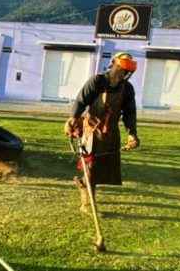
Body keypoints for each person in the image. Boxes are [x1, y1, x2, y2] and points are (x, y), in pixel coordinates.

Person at [64, 52, 140, 250]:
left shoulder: (127, 89)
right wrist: (73, 118)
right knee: (90, 168)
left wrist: (132, 133)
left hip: (110, 133)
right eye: (121, 69)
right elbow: (81, 101)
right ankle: (87, 203)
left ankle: (84, 187)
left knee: (102, 169)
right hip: (91, 130)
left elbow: (130, 112)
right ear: (113, 64)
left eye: (126, 71)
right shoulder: (97, 81)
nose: (122, 74)